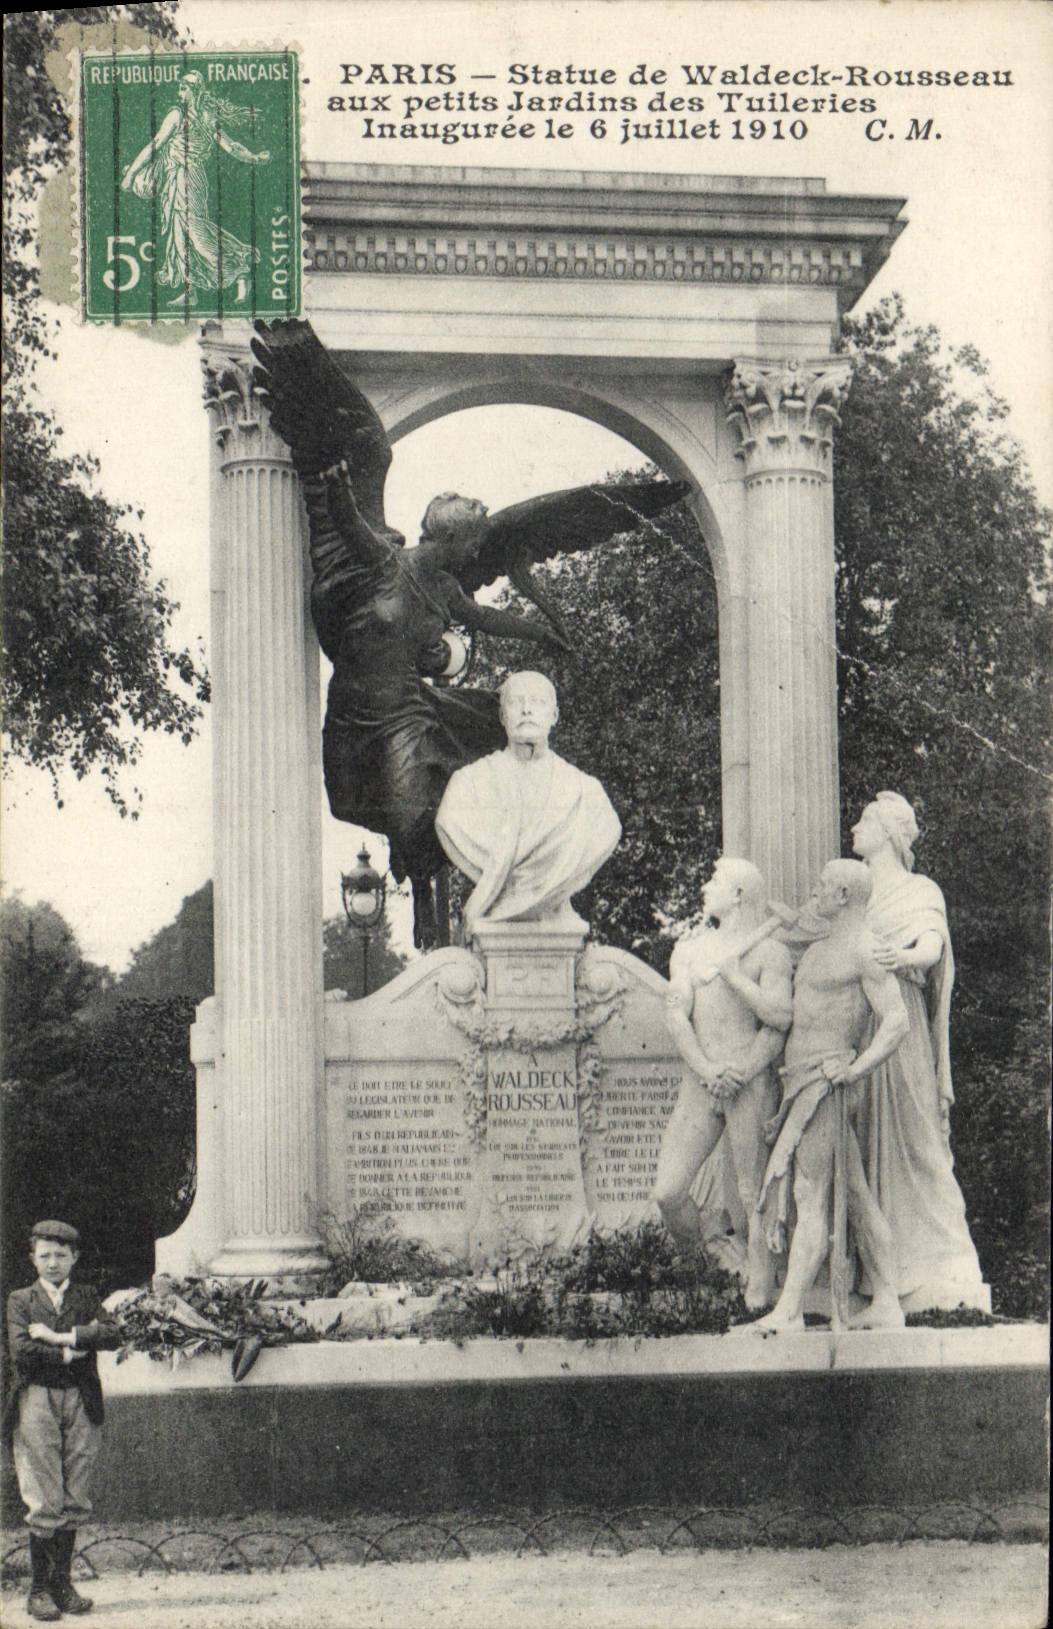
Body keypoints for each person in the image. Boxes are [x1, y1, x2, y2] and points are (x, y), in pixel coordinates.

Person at [752, 861, 910, 1333]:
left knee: (809, 1193)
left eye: (822, 884)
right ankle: (888, 1301)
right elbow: (796, 921)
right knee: (856, 1195)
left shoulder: (864, 948)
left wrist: (854, 1069)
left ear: (842, 893)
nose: (815, 891)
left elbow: (897, 1021)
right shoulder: (824, 944)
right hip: (801, 1081)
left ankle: (790, 1310)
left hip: (825, 1086)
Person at [851, 792, 987, 1310]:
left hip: (900, 1025)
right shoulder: (855, 893)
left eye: (865, 820)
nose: (855, 827)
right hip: (858, 1026)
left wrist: (900, 955)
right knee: (866, 1145)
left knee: (917, 1139)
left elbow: (932, 948)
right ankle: (881, 1276)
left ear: (889, 832)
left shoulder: (918, 889)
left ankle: (947, 1262)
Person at [653, 859, 794, 1309]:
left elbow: (778, 1021)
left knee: (753, 1191)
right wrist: (707, 1069)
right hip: (702, 1081)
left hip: (749, 1082)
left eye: (715, 880)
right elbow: (677, 1016)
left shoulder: (770, 953)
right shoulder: (689, 951)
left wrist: (743, 1071)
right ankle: (706, 1265)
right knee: (668, 1191)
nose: (705, 887)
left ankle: (760, 1286)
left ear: (737, 895)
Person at [435, 671, 622, 933]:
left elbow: (605, 835)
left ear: (554, 716)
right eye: (516, 702)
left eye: (537, 702)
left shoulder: (588, 795)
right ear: (503, 717)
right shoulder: (466, 787)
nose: (526, 710)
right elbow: (448, 822)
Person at [4, 1221, 119, 1621]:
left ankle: (62, 1584)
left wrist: (59, 1337)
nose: (53, 1263)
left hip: (81, 1398)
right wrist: (71, 1354)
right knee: (42, 1492)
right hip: (37, 1397)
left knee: (75, 1491)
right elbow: (21, 1351)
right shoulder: (21, 1300)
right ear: (32, 1258)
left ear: (74, 1257)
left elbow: (112, 1334)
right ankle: (39, 1589)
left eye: (61, 1255)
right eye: (45, 1255)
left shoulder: (86, 1296)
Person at [120, 72, 271, 306]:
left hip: (188, 178)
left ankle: (241, 270)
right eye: (180, 86)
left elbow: (229, 146)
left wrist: (254, 157)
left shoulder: (195, 116)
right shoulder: (182, 114)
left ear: (196, 90)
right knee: (179, 234)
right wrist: (132, 174)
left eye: (185, 87)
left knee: (196, 232)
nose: (180, 90)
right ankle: (191, 290)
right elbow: (157, 144)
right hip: (176, 177)